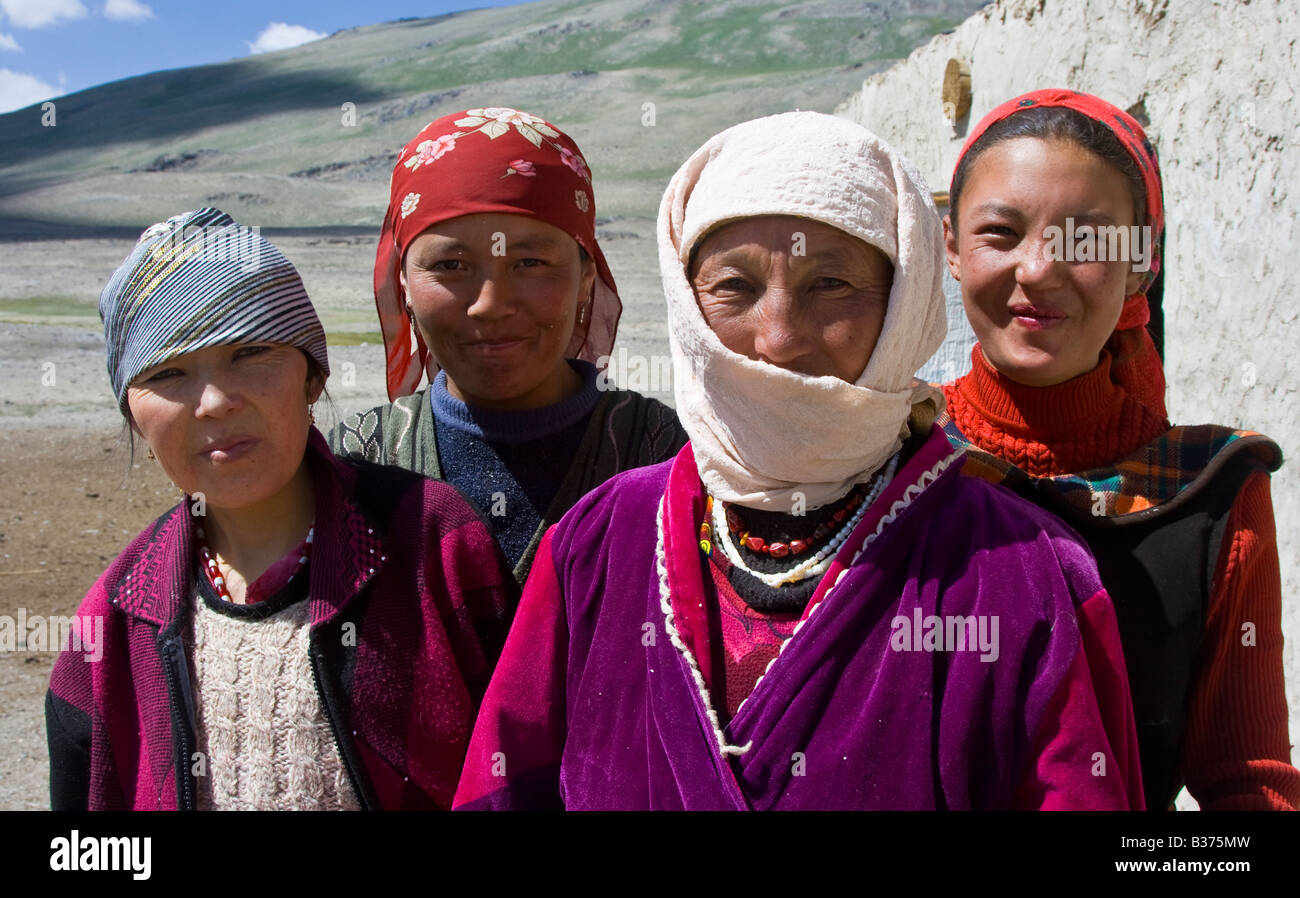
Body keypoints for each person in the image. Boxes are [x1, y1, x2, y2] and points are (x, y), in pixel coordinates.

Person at [453, 111, 1144, 810]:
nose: (778, 338)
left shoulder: (1024, 574)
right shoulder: (598, 541)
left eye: (831, 285)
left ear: (901, 305)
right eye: (734, 288)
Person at [45, 208, 514, 810]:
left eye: (249, 354)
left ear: (311, 376)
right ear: (132, 411)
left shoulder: (435, 547)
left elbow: (524, 775)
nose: (214, 402)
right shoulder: (113, 621)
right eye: (168, 372)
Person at [938, 88, 1299, 810]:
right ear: (951, 247)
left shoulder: (1213, 493)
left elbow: (1248, 784)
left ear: (1142, 264)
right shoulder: (895, 452)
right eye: (1000, 233)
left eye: (1087, 240)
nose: (1037, 270)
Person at [330, 107, 687, 582]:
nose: (490, 305)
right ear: (404, 284)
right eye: (450, 266)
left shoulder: (664, 455)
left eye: (531, 262)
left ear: (586, 276)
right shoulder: (354, 462)